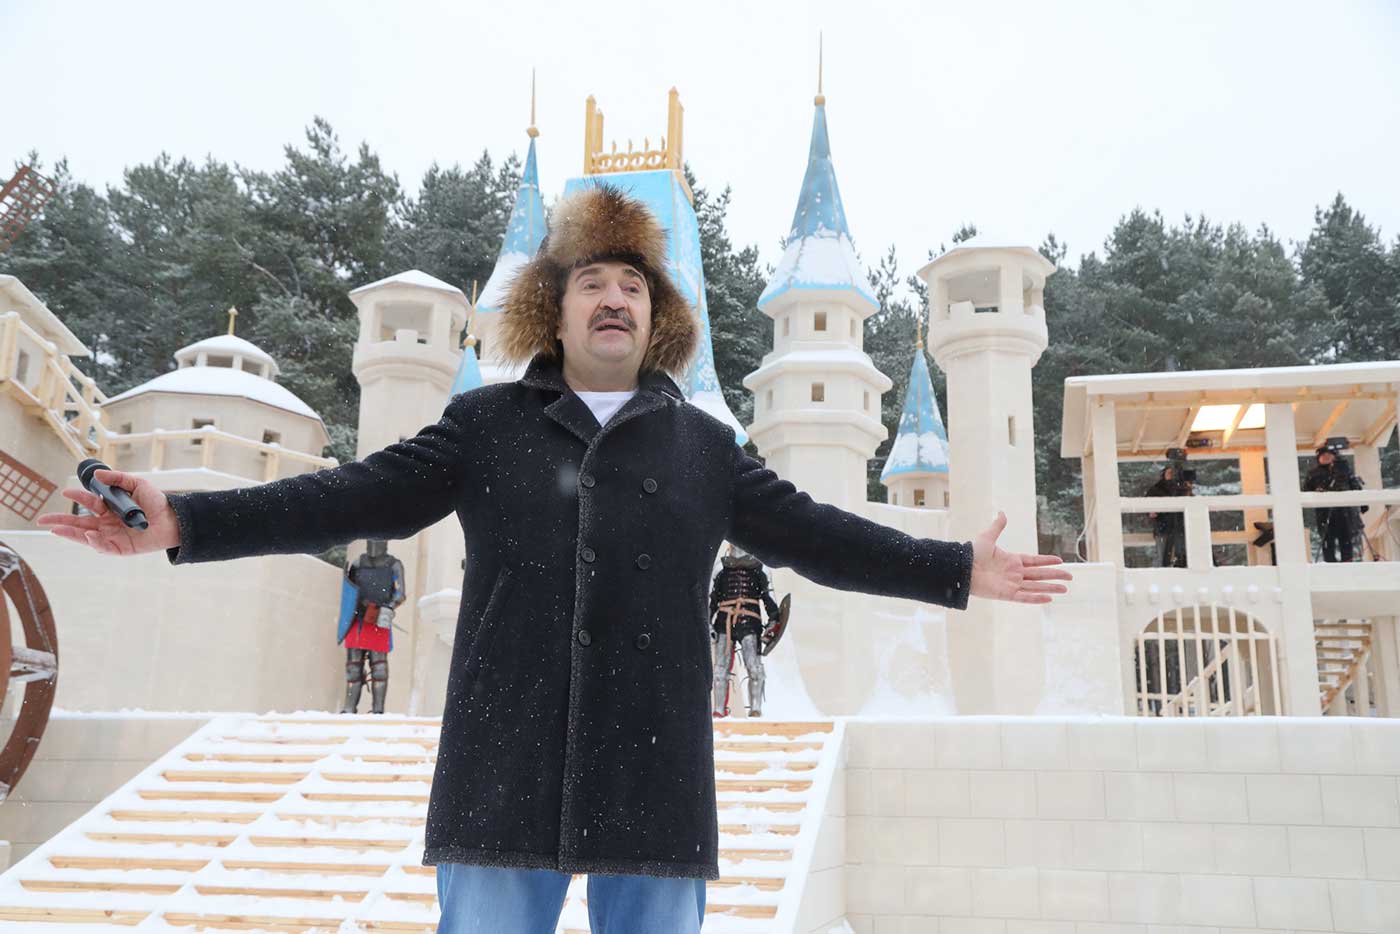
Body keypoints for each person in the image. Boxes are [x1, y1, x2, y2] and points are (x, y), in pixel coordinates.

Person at [38, 184, 1071, 934]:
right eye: (591, 282)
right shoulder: (483, 427)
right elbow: (345, 495)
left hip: (655, 772)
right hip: (502, 766)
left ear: (656, 316)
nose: (613, 297)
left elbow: (822, 536)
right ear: (556, 307)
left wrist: (952, 569)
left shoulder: (704, 449)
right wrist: (185, 521)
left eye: (632, 284)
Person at [708, 544, 784, 718]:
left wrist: (773, 623)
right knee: (720, 670)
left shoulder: (760, 568)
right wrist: (709, 624)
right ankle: (718, 710)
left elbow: (769, 601)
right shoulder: (720, 568)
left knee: (754, 667)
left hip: (750, 624)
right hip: (724, 623)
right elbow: (711, 601)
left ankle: (755, 710)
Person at [339, 539, 405, 714]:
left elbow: (400, 594)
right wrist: (360, 606)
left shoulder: (394, 565)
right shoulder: (358, 564)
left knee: (379, 669)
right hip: (357, 620)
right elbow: (350, 591)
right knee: (353, 668)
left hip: (378, 621)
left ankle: (378, 710)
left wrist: (386, 608)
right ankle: (349, 708)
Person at [1304, 444, 1366, 562]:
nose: (1326, 457)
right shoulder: (1314, 473)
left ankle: (1347, 563)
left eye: (1328, 455)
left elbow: (1354, 485)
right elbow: (1306, 491)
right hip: (1324, 513)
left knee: (1346, 539)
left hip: (1344, 512)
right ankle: (1330, 564)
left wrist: (1363, 504)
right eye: (1323, 456)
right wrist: (1317, 492)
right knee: (1327, 540)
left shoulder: (1343, 470)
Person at [1145, 464, 1192, 568]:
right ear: (1164, 474)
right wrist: (1150, 512)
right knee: (1161, 556)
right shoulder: (1156, 489)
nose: (1172, 475)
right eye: (1169, 472)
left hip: (1181, 528)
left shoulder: (1184, 489)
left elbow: (1192, 503)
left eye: (1174, 473)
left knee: (1181, 556)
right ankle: (1160, 574)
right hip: (1163, 527)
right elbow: (1146, 505)